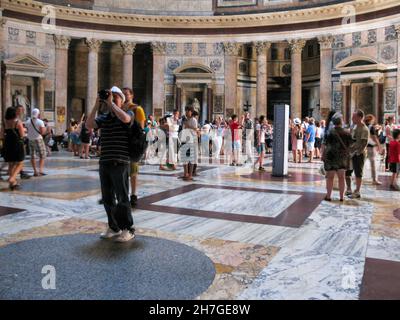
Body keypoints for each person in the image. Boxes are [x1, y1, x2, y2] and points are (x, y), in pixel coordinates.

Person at [87, 86, 135, 243]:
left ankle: (128, 228)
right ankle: (114, 227)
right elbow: (89, 124)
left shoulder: (127, 113)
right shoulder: (104, 117)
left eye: (116, 97)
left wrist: (112, 104)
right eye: (110, 97)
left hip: (120, 162)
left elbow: (126, 120)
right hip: (105, 162)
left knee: (122, 197)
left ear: (121, 100)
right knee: (107, 198)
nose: (112, 99)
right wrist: (96, 104)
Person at [122, 87, 146, 208]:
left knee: (133, 170)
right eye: (123, 94)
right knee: (122, 171)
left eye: (127, 94)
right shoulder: (119, 109)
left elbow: (141, 129)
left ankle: (134, 194)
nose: (125, 96)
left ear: (132, 95)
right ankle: (124, 194)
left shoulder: (137, 109)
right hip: (121, 142)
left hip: (132, 144)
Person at [322, 116, 352, 201]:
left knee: (330, 177)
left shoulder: (329, 132)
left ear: (333, 123)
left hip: (331, 157)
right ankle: (341, 197)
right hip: (342, 157)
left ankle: (328, 196)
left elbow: (325, 144)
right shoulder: (347, 132)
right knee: (342, 178)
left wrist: (323, 155)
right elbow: (350, 145)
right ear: (341, 123)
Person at [345, 110, 370, 199]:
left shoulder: (364, 129)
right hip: (351, 153)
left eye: (354, 117)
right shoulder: (355, 127)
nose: (352, 118)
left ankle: (357, 191)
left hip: (358, 154)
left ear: (360, 117)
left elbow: (364, 143)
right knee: (347, 171)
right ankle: (348, 189)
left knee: (358, 173)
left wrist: (357, 152)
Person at [1, 107, 25, 190]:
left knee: (11, 163)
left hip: (7, 144)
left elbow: (1, 135)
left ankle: (13, 183)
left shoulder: (4, 123)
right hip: (17, 144)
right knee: (20, 162)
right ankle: (12, 178)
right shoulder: (18, 122)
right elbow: (22, 135)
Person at [26, 108, 47, 177]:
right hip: (38, 139)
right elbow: (43, 132)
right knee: (42, 154)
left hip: (30, 139)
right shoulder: (40, 122)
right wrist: (45, 128)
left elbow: (27, 131)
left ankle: (35, 171)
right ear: (38, 114)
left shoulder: (27, 121)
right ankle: (40, 170)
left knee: (32, 155)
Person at [364, 114, 383, 185]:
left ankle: (357, 178)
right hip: (370, 147)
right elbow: (374, 137)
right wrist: (379, 145)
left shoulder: (363, 126)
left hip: (363, 147)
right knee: (373, 164)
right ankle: (374, 179)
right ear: (371, 120)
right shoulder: (371, 127)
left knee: (361, 163)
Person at [180, 105, 198, 181]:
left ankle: (190, 174)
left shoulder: (193, 120)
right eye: (186, 111)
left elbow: (195, 129)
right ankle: (185, 173)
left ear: (191, 112)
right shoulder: (185, 120)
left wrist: (188, 126)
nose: (186, 112)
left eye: (188, 111)